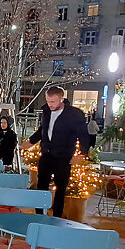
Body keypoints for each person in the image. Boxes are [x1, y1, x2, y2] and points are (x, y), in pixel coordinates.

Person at [21, 87, 90, 218]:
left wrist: (82, 154)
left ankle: (57, 218)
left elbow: (84, 135)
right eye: (48, 101)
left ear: (61, 99)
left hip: (63, 157)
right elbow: (43, 130)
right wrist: (30, 142)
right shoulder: (46, 111)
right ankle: (39, 216)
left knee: (60, 189)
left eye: (53, 101)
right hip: (46, 155)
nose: (50, 104)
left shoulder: (74, 114)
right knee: (41, 187)